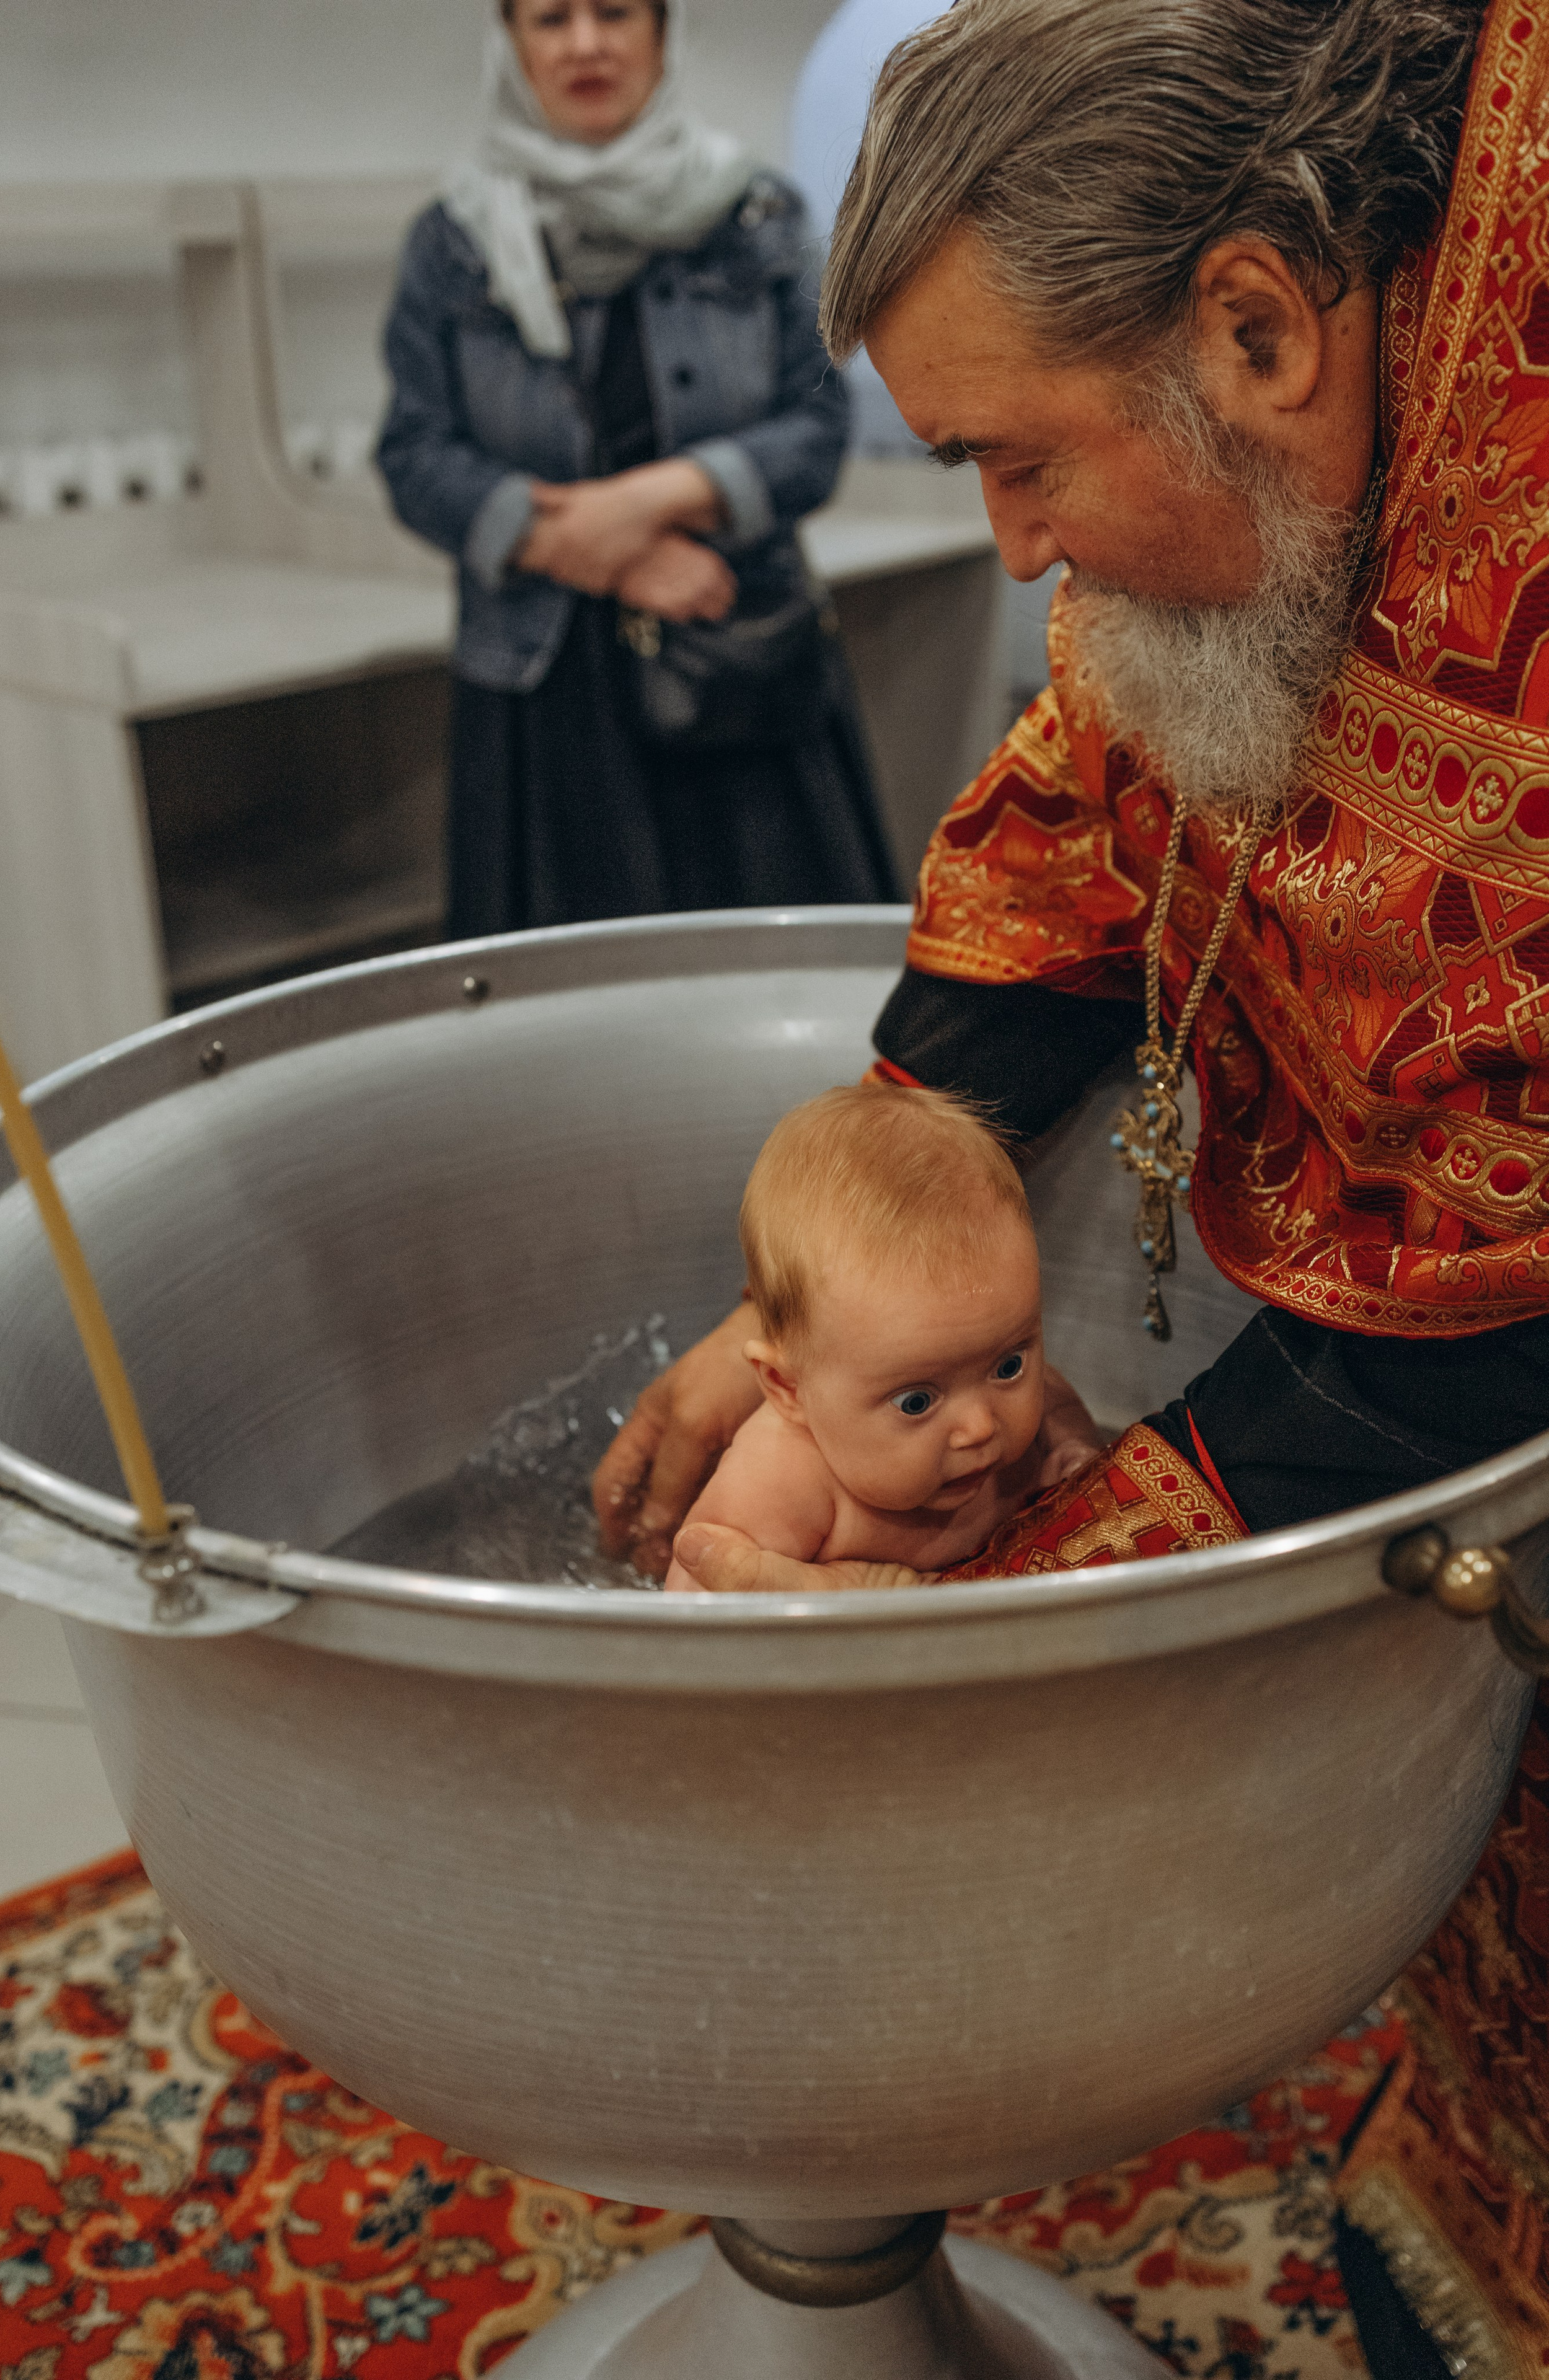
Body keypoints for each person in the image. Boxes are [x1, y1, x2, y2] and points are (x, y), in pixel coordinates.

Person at [592, 1, 1549, 2368]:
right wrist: (794, 1301)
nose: (1010, 548)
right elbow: (1072, 821)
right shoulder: (1255, 473)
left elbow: (1460, 1309)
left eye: (1013, 461)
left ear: (1252, 321)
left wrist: (988, 1623)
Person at [375, 0, 897, 936]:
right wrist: (615, 556)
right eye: (550, 19)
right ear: (513, 45)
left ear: (663, 33)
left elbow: (815, 432)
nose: (585, 43)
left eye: (614, 12)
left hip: (734, 642)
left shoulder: (755, 216)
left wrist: (639, 504)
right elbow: (414, 454)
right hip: (545, 682)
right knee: (571, 998)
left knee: (775, 976)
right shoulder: (451, 241)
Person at [661, 1083, 1100, 1590]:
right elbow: (695, 1619)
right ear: (788, 1389)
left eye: (1008, 1366)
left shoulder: (1009, 1396)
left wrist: (1074, 1450)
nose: (980, 1426)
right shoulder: (781, 1483)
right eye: (916, 1401)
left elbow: (1058, 1403)